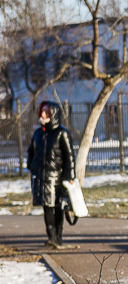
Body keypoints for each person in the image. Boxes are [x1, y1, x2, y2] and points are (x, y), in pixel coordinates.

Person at [27, 101, 76, 249]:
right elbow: (31, 152)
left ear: (53, 114)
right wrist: (32, 167)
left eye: (46, 112)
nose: (43, 114)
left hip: (58, 177)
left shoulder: (62, 132)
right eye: (42, 111)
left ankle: (58, 237)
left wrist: (70, 176)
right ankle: (51, 237)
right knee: (46, 207)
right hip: (42, 178)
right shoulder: (38, 133)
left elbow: (70, 156)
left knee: (59, 207)